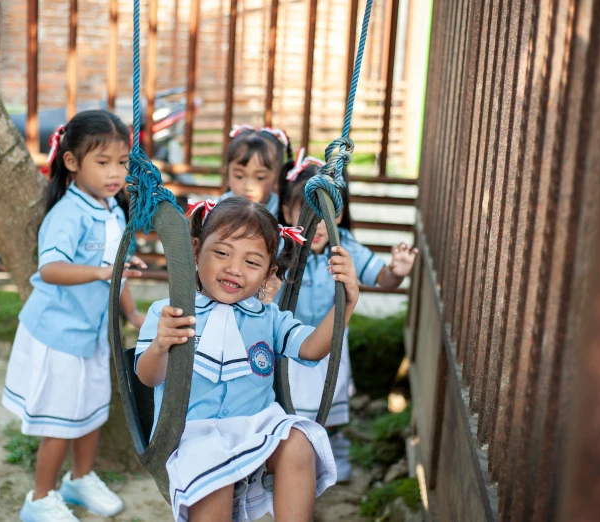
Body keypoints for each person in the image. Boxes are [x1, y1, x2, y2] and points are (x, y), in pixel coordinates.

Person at [135, 197, 362, 521]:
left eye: (252, 263)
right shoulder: (171, 312)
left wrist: (346, 304)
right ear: (196, 251)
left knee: (298, 440)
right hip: (193, 432)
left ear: (269, 273)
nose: (234, 269)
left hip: (257, 426)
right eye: (222, 253)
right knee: (214, 478)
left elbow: (313, 348)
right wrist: (160, 346)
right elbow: (147, 377)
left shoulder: (270, 318)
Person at [1, 110, 146, 522]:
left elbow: (116, 270)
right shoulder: (68, 214)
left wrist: (131, 311)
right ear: (72, 162)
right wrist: (101, 272)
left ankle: (79, 479)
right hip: (59, 336)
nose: (115, 172)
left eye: (122, 162)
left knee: (92, 411)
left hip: (95, 335)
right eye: (103, 163)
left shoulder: (113, 210)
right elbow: (50, 269)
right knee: (61, 421)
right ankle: (39, 499)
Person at [277, 156, 417, 481]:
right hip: (290, 346)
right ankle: (289, 460)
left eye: (328, 215)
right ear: (286, 211)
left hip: (330, 347)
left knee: (331, 408)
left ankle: (334, 454)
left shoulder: (345, 248)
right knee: (287, 405)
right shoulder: (280, 247)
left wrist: (397, 271)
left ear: (339, 213)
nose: (319, 225)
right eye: (307, 212)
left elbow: (380, 277)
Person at [219, 124, 293, 218]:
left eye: (260, 178)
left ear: (277, 177)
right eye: (239, 176)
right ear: (227, 172)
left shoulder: (282, 212)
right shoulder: (219, 208)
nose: (248, 187)